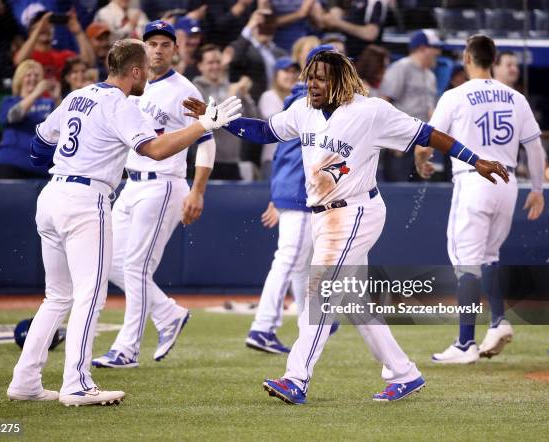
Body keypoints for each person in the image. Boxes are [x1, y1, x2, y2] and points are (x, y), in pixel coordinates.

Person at [184, 50, 508, 403]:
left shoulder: (371, 111)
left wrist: (476, 160)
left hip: (355, 211)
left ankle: (296, 378)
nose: (312, 83)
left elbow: (429, 134)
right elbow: (265, 132)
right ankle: (404, 373)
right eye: (310, 77)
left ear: (339, 79)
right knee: (355, 300)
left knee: (319, 291)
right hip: (322, 214)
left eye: (320, 77)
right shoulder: (303, 109)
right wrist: (217, 120)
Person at [6, 38, 241, 406]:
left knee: (57, 296)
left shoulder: (78, 95)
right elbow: (155, 150)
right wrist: (202, 127)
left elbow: (38, 146)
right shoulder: (120, 103)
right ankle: (77, 384)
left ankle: (25, 380)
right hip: (86, 200)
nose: (148, 73)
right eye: (145, 67)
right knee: (90, 296)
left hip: (52, 194)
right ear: (134, 71)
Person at [91, 20, 217, 368]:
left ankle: (127, 349)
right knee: (109, 259)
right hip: (130, 184)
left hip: (163, 183)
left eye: (165, 43)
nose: (158, 49)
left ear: (175, 49)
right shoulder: (132, 86)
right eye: (152, 43)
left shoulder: (184, 90)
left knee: (135, 266)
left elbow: (206, 142)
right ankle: (169, 313)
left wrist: (197, 190)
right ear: (142, 49)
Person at [415, 35, 545, 364]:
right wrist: (539, 190)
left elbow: (427, 139)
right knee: (488, 255)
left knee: (466, 261)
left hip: (474, 180)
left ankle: (464, 344)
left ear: (467, 58)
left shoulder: (456, 95)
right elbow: (535, 147)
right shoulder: (516, 97)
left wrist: (421, 159)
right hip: (508, 182)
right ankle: (498, 321)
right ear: (493, 59)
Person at [246, 45, 330, 354]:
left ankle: (308, 325)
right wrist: (281, 194)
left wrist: (275, 194)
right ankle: (263, 326)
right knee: (289, 260)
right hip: (299, 189)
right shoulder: (309, 103)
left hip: (291, 187)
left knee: (299, 265)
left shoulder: (299, 100)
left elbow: (281, 151)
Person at [379, 29, 441, 181]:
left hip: (421, 144)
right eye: (435, 48)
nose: (438, 52)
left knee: (416, 192)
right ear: (422, 48)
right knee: (399, 192)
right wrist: (391, 140)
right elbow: (383, 103)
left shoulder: (430, 75)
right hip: (401, 142)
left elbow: (430, 111)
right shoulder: (401, 67)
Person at [193, 43, 258, 180]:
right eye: (210, 62)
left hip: (232, 160)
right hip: (205, 161)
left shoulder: (231, 87)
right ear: (200, 66)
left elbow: (253, 118)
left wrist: (246, 96)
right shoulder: (195, 89)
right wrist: (232, 94)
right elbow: (211, 121)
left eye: (218, 62)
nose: (215, 66)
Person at [0, 60, 60, 178]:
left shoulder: (49, 104)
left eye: (37, 75)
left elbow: (64, 127)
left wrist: (57, 98)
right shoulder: (9, 101)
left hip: (41, 169)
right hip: (10, 164)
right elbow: (14, 116)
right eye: (28, 75)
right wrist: (36, 93)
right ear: (20, 79)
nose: (33, 78)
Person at [13, 10, 95, 80]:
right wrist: (38, 30)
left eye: (49, 26)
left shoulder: (61, 56)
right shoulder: (28, 56)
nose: (45, 28)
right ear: (31, 32)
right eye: (41, 26)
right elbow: (19, 61)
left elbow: (88, 62)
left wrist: (78, 32)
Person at [227, 8, 288, 103]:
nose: (265, 27)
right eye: (261, 25)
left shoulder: (280, 52)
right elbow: (236, 60)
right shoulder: (245, 50)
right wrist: (249, 27)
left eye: (268, 24)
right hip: (255, 101)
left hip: (280, 99)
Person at [258, 56, 299, 178]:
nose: (291, 76)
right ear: (276, 75)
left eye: (294, 72)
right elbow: (278, 124)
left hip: (295, 159)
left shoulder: (300, 99)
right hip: (273, 158)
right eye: (286, 71)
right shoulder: (269, 96)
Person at [321, 0, 389, 59]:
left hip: (366, 56)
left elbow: (370, 34)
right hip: (348, 51)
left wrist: (338, 23)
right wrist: (338, 13)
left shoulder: (375, 2)